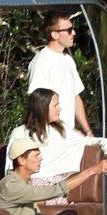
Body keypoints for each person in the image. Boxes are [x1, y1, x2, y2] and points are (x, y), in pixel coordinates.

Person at [7, 88, 107, 204]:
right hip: (28, 187)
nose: (59, 109)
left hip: (55, 188)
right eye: (55, 105)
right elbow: (9, 165)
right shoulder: (19, 132)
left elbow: (85, 141)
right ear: (42, 108)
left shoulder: (61, 129)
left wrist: (106, 144)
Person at [28, 9, 92, 137]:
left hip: (68, 134)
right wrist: (65, 130)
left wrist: (88, 131)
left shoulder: (68, 60)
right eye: (69, 30)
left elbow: (75, 96)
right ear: (54, 35)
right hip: (51, 135)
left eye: (72, 29)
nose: (73, 33)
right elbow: (38, 104)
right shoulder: (41, 62)